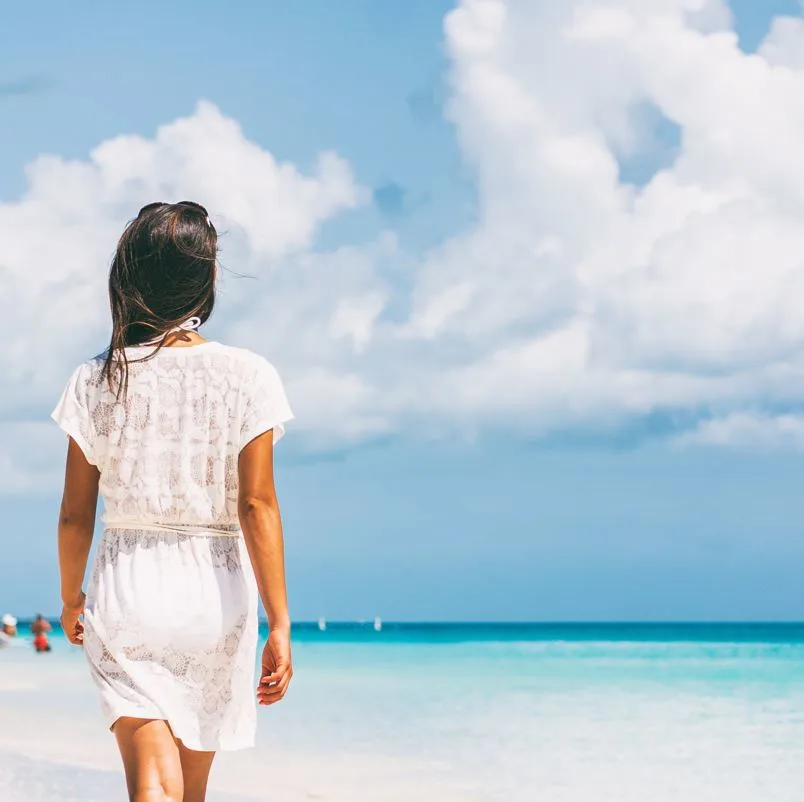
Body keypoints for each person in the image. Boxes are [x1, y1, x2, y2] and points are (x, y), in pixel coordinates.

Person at [51, 201, 294, 802]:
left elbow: (74, 514)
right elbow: (257, 506)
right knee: (189, 790)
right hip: (215, 596)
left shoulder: (99, 378)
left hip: (129, 586)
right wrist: (280, 622)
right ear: (206, 281)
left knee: (154, 786)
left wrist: (70, 596)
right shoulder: (249, 375)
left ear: (127, 276)